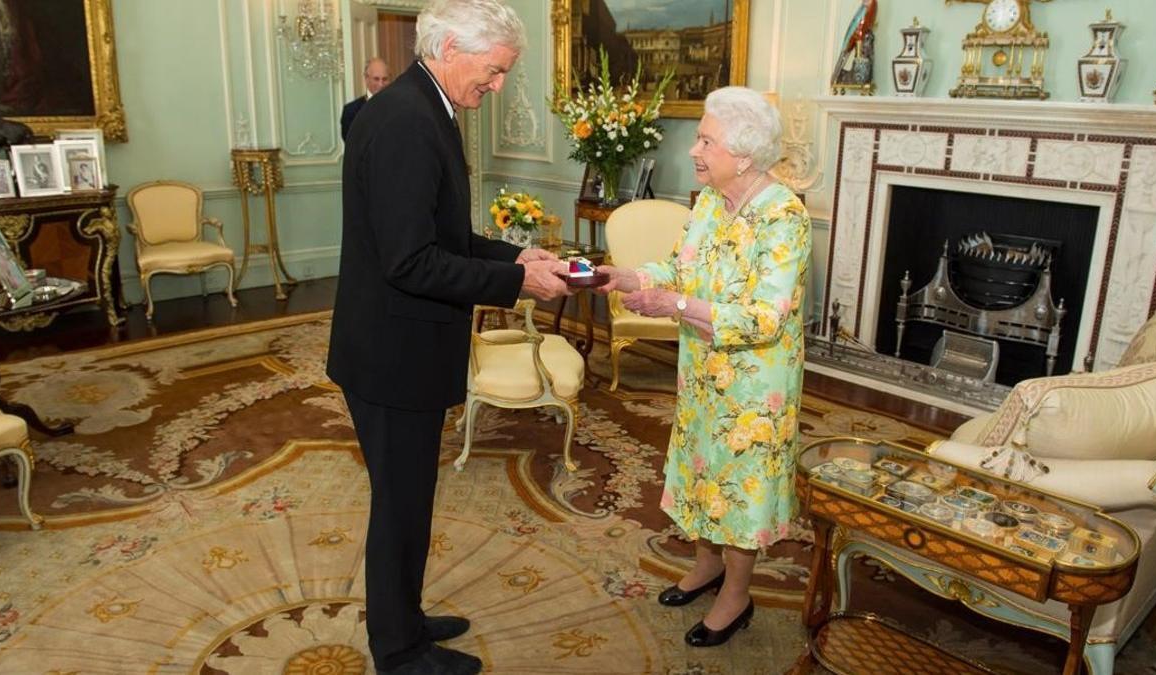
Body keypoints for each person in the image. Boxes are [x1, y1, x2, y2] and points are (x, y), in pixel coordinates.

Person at [325, 0, 570, 672]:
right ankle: (400, 652)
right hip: (391, 355)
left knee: (406, 498)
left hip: (394, 347)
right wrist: (515, 286)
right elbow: (411, 262)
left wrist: (514, 258)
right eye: (493, 72)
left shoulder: (420, 105)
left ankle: (403, 616)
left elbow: (441, 237)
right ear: (451, 47)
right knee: (401, 505)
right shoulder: (408, 119)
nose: (495, 87)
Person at [595, 86, 811, 648]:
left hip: (754, 382)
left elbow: (766, 317)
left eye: (706, 139)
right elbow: (678, 265)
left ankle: (737, 595)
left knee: (740, 484)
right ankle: (706, 565)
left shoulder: (784, 216)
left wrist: (678, 307)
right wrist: (629, 277)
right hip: (703, 366)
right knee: (702, 467)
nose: (693, 149)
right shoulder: (712, 200)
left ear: (743, 155)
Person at [341, 58, 391, 141]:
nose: (381, 84)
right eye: (376, 79)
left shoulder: (399, 107)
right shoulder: (351, 111)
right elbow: (351, 145)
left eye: (385, 79)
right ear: (366, 79)